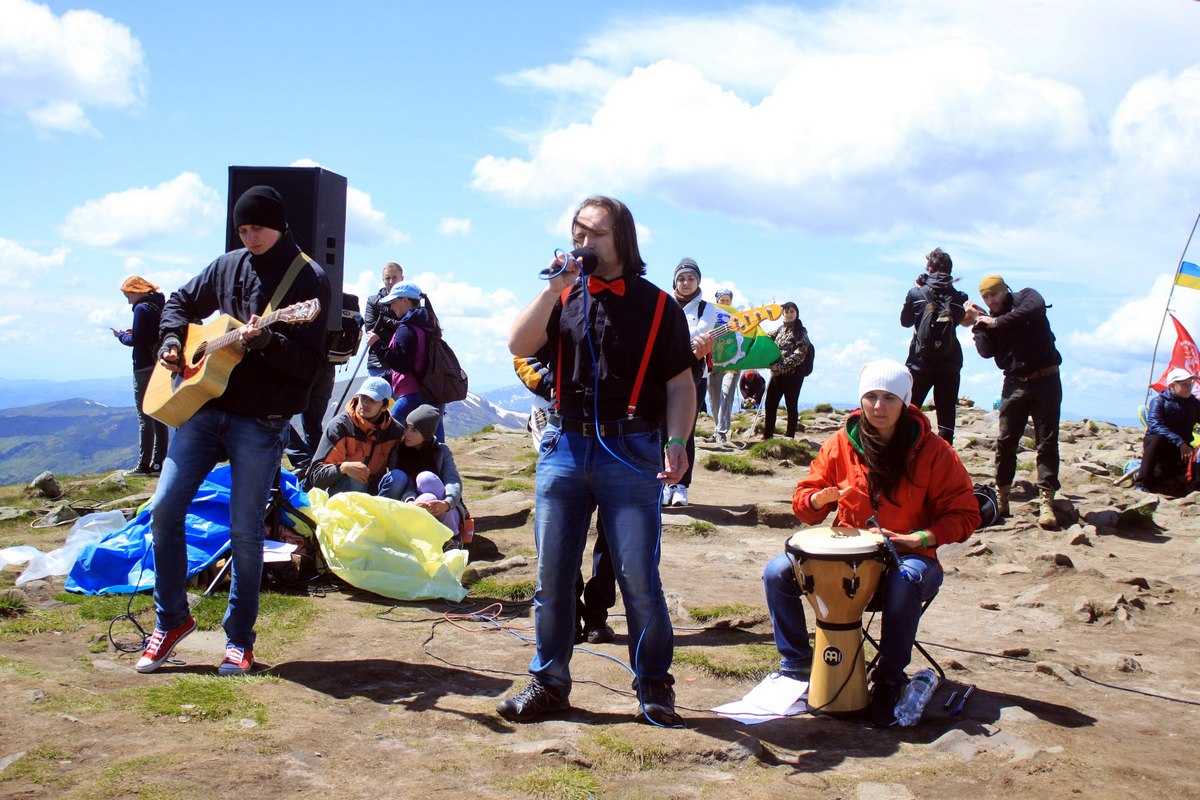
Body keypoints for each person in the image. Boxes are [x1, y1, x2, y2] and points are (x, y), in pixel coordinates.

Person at [499, 195, 707, 726]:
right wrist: (553, 289)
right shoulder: (564, 295)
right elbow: (518, 343)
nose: (582, 243)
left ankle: (655, 687)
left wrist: (678, 442)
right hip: (564, 446)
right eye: (577, 233)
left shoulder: (658, 305)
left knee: (638, 577)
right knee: (552, 576)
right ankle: (548, 682)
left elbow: (680, 382)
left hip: (632, 448)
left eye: (594, 234)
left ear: (622, 240)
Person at [135, 185, 331, 677]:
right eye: (243, 230)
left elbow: (308, 366)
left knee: (245, 531)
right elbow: (179, 301)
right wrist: (173, 343)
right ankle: (172, 620)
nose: (250, 238)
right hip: (203, 410)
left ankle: (238, 640)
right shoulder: (227, 265)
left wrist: (266, 341)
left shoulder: (307, 280)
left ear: (279, 225)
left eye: (257, 229)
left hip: (260, 421)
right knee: (163, 510)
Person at [761, 360, 979, 726]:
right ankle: (796, 667)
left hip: (912, 558)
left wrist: (919, 537)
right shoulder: (840, 444)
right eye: (871, 397)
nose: (878, 406)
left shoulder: (936, 451)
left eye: (889, 398)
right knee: (777, 573)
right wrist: (818, 500)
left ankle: (890, 677)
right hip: (846, 561)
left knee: (905, 579)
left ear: (906, 402)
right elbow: (805, 502)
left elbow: (965, 515)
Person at [514, 348, 616, 644]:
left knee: (613, 533)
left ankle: (597, 613)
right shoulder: (553, 304)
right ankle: (570, 610)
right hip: (560, 423)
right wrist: (552, 383)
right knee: (562, 530)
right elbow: (521, 350)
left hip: (616, 428)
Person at [965, 274, 1063, 528]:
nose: (990, 300)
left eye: (993, 295)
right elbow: (986, 352)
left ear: (1004, 291)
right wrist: (978, 324)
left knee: (1047, 441)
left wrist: (996, 322)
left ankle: (1047, 501)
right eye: (986, 297)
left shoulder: (1026, 298)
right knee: (1006, 441)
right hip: (1014, 382)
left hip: (1046, 379)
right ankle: (1002, 496)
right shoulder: (988, 319)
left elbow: (1036, 308)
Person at [661, 257, 719, 507]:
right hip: (662, 375)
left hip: (695, 377)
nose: (686, 283)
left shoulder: (708, 308)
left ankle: (682, 485)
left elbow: (700, 335)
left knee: (686, 431)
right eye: (682, 278)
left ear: (698, 281)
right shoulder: (662, 303)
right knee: (661, 429)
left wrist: (672, 339)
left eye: (691, 278)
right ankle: (664, 483)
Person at [901, 248, 968, 443]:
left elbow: (905, 321)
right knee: (946, 418)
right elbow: (959, 320)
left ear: (929, 268)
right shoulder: (960, 297)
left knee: (909, 413)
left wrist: (917, 291)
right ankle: (945, 465)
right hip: (950, 364)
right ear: (950, 270)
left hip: (919, 363)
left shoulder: (916, 293)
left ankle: (905, 456)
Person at [306, 377, 407, 499]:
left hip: (373, 490)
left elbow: (403, 471)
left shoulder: (395, 432)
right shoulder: (340, 426)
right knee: (356, 480)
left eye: (373, 400)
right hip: (339, 489)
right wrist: (343, 468)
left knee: (399, 478)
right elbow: (315, 475)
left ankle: (380, 516)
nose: (365, 403)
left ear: (385, 406)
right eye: (363, 397)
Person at [112, 276, 169, 474]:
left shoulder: (141, 308)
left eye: (127, 294)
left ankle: (143, 465)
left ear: (136, 291)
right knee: (159, 414)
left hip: (144, 365)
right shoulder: (159, 305)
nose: (127, 299)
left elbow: (137, 341)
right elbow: (151, 334)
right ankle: (158, 463)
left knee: (145, 416)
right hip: (161, 365)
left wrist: (121, 335)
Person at [380, 280, 446, 441]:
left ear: (405, 300)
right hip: (432, 391)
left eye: (394, 301)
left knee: (386, 434)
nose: (391, 306)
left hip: (412, 394)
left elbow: (402, 365)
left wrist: (377, 345)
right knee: (435, 441)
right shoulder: (428, 325)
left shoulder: (406, 328)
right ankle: (441, 466)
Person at [393, 404, 467, 537]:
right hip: (416, 507)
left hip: (448, 511)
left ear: (426, 435)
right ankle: (449, 538)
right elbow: (407, 484)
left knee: (425, 478)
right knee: (428, 498)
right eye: (407, 427)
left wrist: (446, 503)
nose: (407, 433)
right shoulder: (399, 452)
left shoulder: (442, 451)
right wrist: (410, 502)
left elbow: (453, 480)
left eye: (414, 430)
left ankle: (453, 538)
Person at [1137, 367, 1200, 495]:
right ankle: (1142, 483)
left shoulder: (1194, 403)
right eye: (1185, 384)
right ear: (1172, 385)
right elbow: (1155, 425)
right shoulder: (1159, 401)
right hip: (1162, 447)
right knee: (1156, 439)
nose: (1189, 387)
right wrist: (1180, 442)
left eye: (1190, 384)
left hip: (1183, 450)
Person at [762, 302, 810, 439]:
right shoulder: (779, 330)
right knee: (770, 403)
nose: (789, 314)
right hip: (777, 374)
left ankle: (789, 436)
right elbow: (765, 338)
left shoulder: (801, 331)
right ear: (782, 313)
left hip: (794, 374)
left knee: (791, 404)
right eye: (786, 312)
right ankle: (768, 435)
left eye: (792, 311)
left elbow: (801, 353)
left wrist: (782, 365)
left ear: (797, 313)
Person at [705, 288, 740, 445]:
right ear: (717, 300)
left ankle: (722, 432)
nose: (725, 302)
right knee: (714, 400)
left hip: (731, 366)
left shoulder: (737, 316)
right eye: (722, 300)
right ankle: (716, 430)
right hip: (713, 366)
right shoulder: (710, 314)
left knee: (726, 396)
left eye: (727, 300)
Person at [363, 262, 404, 379]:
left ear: (402, 279)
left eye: (394, 277)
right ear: (383, 280)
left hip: (403, 362)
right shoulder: (373, 301)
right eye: (387, 278)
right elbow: (371, 329)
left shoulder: (409, 300)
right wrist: (400, 328)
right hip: (378, 363)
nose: (391, 282)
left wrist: (384, 322)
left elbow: (411, 327)